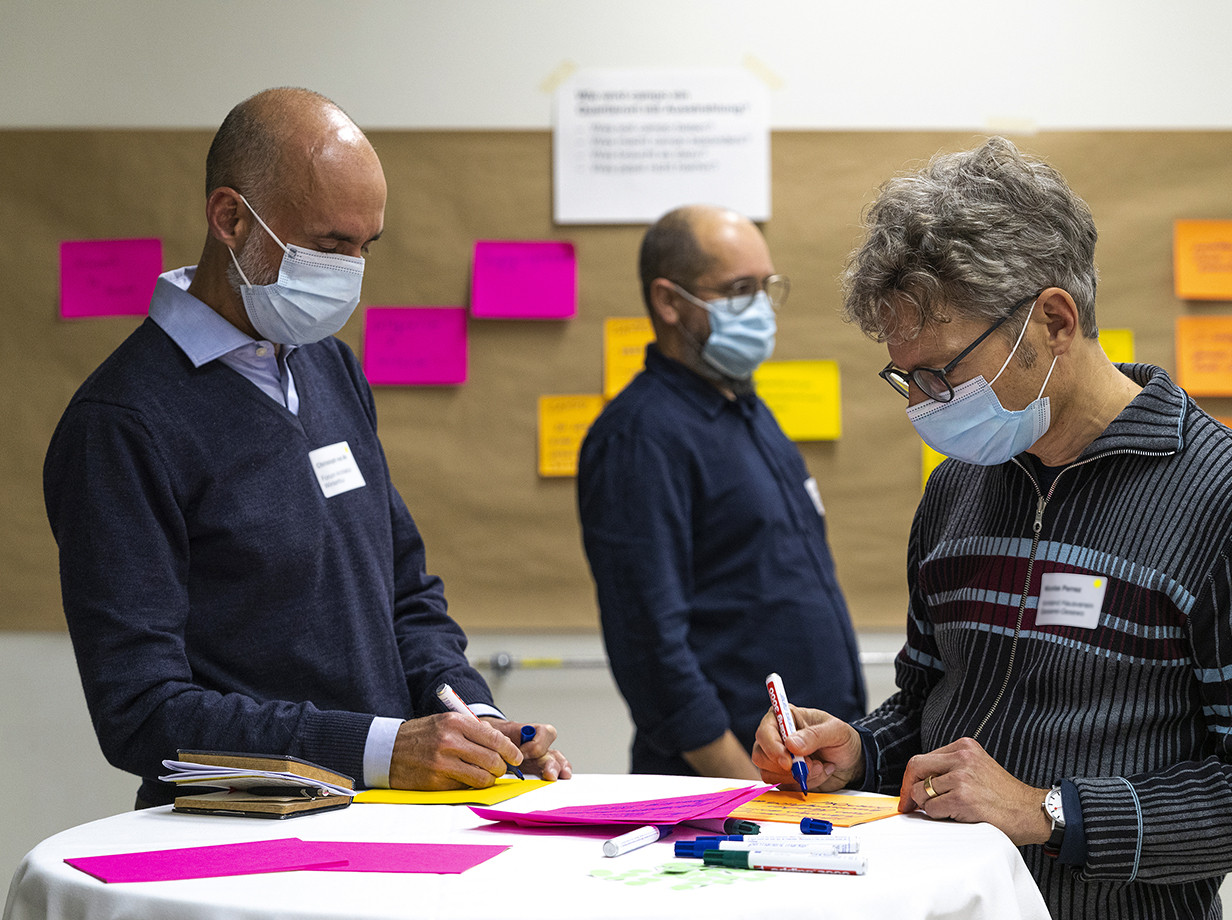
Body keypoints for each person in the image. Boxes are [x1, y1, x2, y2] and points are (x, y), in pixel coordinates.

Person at [751, 138, 1232, 920]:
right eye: (906, 380)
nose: (925, 405)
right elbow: (931, 705)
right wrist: (860, 750)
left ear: (1054, 321)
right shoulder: (959, 487)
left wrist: (1051, 814)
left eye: (942, 375)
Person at [43, 88, 569, 808]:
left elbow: (406, 593)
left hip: (385, 816)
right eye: (328, 245)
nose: (350, 270)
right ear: (229, 218)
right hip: (238, 840)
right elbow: (140, 710)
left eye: (364, 247)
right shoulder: (122, 422)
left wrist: (470, 717)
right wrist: (381, 748)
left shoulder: (328, 366)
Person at [577, 204, 867, 779]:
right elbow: (650, 646)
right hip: (727, 789)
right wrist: (738, 783)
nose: (759, 308)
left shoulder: (748, 412)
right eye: (738, 290)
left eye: (766, 288)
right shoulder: (641, 437)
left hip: (803, 774)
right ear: (669, 301)